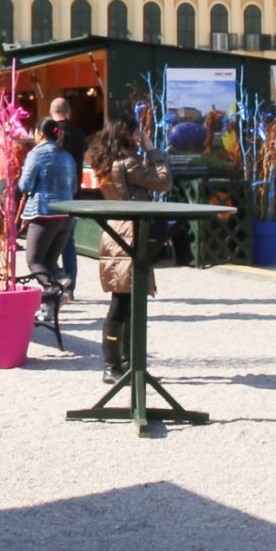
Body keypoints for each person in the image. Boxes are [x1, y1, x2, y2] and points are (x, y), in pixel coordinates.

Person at [86, 120, 173, 383]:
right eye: (136, 133)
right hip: (131, 232)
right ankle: (115, 364)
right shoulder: (129, 163)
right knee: (124, 301)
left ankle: (123, 363)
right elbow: (164, 182)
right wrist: (153, 150)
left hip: (116, 230)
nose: (139, 137)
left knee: (125, 298)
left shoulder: (104, 161)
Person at [17, 118, 79, 319]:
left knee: (34, 260)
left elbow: (25, 185)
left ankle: (56, 287)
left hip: (43, 213)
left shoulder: (36, 154)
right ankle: (49, 309)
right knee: (50, 261)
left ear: (39, 133)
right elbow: (75, 187)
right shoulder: (67, 156)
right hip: (66, 214)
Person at [49, 98, 87, 294]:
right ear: (69, 112)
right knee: (68, 241)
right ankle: (70, 286)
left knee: (48, 241)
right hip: (73, 194)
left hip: (51, 196)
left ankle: (54, 281)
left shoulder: (50, 134)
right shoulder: (79, 135)